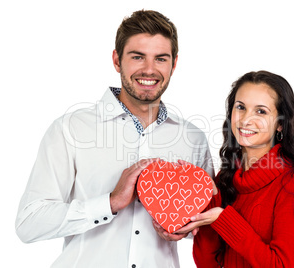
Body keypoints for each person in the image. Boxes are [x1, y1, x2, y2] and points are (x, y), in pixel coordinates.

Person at [15, 10, 214, 268]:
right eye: (138, 57)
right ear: (117, 60)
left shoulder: (193, 138)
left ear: (174, 64)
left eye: (161, 59)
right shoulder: (71, 129)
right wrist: (109, 203)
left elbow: (206, 223)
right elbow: (28, 223)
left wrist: (183, 229)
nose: (150, 70)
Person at [176, 70, 294, 267]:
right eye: (240, 107)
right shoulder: (225, 179)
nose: (245, 119)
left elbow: (282, 265)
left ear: (280, 124)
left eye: (261, 111)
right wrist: (209, 200)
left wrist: (224, 219)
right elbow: (207, 264)